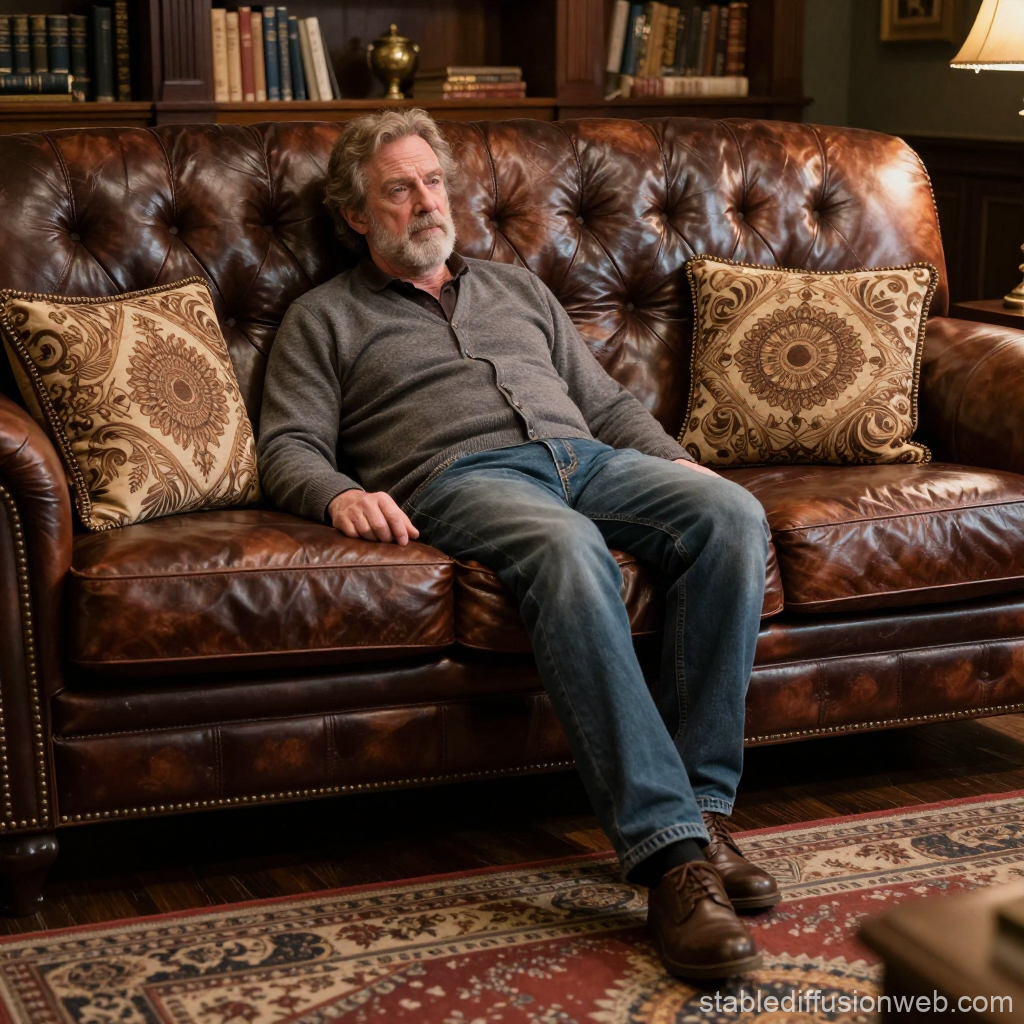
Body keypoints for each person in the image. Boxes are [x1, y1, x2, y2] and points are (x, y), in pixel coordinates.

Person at [257, 108, 779, 980]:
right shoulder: (324, 318)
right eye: (399, 189)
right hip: (464, 479)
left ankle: (705, 811)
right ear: (355, 215)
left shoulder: (517, 288)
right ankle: (672, 859)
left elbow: (605, 404)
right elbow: (288, 446)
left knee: (731, 514)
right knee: (567, 549)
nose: (426, 201)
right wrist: (340, 493)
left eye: (433, 181)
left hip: (591, 459)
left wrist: (681, 465)